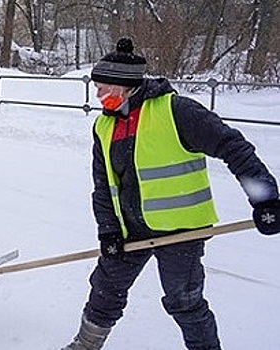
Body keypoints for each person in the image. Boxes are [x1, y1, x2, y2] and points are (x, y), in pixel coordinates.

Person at [62, 37, 280, 350]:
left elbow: (233, 146)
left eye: (103, 87)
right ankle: (85, 345)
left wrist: (266, 199)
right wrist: (109, 231)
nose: (97, 95)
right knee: (104, 291)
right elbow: (103, 186)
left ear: (125, 85)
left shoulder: (176, 111)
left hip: (181, 231)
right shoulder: (104, 127)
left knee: (184, 302)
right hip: (129, 230)